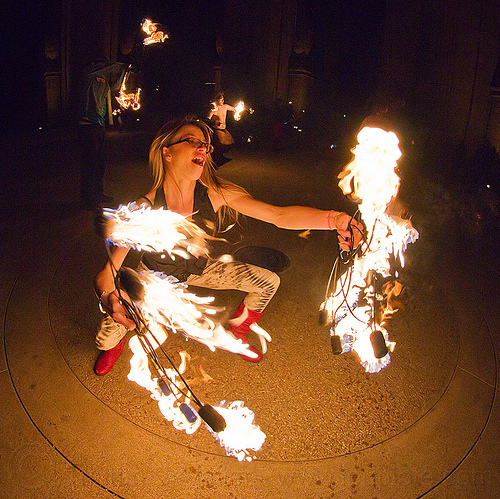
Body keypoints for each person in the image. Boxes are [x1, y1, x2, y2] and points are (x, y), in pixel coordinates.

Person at [93, 116, 363, 375]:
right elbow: (107, 274)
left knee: (267, 281)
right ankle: (114, 345)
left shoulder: (216, 193)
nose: (202, 147)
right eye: (191, 140)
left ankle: (239, 332)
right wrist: (111, 297)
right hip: (155, 278)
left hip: (201, 269)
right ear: (167, 153)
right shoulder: (144, 209)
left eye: (205, 145)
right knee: (107, 335)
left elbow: (278, 215)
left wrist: (335, 219)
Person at [79, 59, 123, 209]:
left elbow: (117, 88)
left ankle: (97, 193)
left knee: (100, 162)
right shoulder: (88, 75)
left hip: (100, 125)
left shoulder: (104, 83)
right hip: (87, 125)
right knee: (89, 163)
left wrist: (126, 72)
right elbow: (109, 67)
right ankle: (87, 199)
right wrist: (122, 64)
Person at [206, 92, 236, 165]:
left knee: (229, 143)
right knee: (220, 144)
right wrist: (214, 122)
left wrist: (247, 110)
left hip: (224, 129)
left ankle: (220, 156)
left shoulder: (225, 106)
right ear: (216, 100)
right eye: (221, 99)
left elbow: (235, 109)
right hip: (217, 130)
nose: (222, 101)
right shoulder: (214, 109)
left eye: (223, 99)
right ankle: (216, 158)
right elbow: (207, 119)